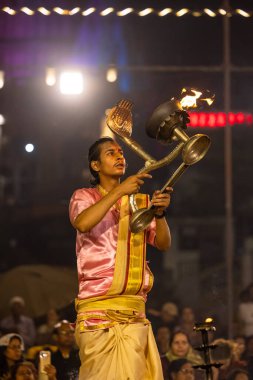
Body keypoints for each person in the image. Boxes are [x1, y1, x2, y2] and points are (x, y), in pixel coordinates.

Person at [69, 137, 172, 380]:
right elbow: (83, 223)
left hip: (134, 313)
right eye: (110, 153)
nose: (119, 156)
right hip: (98, 311)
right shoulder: (84, 196)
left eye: (121, 152)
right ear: (95, 165)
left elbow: (163, 244)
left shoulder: (138, 203)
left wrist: (160, 213)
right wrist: (119, 191)